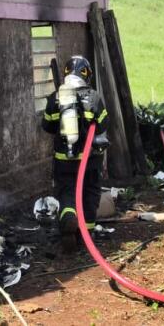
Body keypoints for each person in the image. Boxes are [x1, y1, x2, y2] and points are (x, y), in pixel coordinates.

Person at [41, 55, 109, 250]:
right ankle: (85, 235)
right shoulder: (94, 97)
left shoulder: (56, 97)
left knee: (67, 191)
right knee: (89, 193)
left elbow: (46, 125)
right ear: (87, 75)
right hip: (90, 160)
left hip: (64, 160)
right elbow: (104, 124)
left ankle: (69, 216)